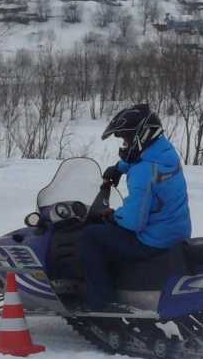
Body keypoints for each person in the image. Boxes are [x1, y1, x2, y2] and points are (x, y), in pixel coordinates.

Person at [76, 103, 191, 313]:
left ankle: (101, 303)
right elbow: (145, 163)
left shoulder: (144, 172)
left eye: (127, 139)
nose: (125, 144)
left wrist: (112, 215)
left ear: (141, 136)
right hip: (175, 230)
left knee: (90, 236)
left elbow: (133, 221)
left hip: (153, 239)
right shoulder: (165, 153)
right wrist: (119, 168)